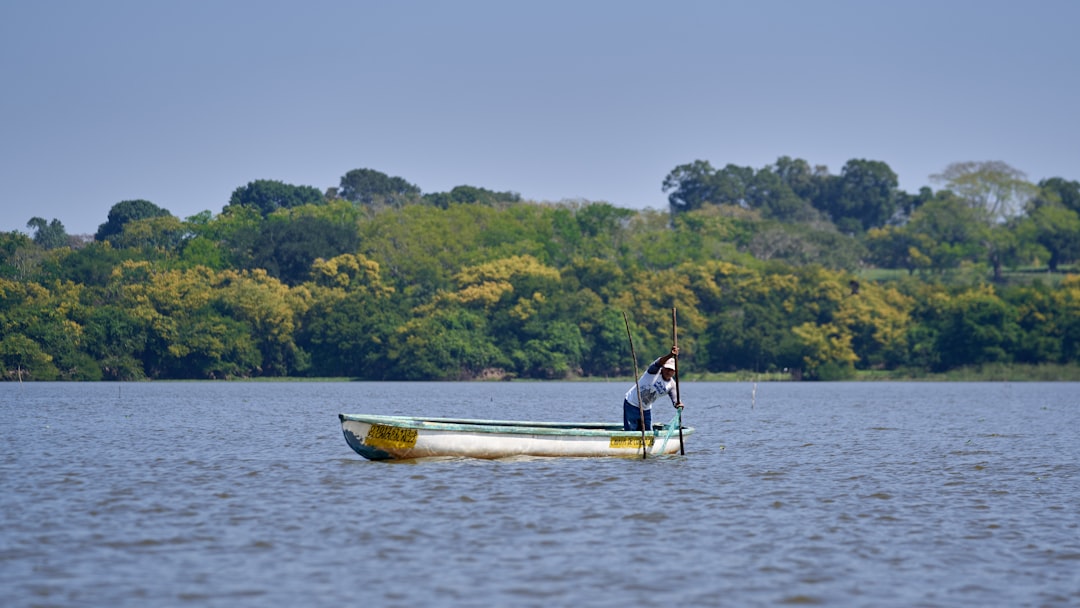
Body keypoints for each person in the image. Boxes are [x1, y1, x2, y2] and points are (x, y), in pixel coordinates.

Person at [623, 346, 683, 431]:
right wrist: (670, 355)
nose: (668, 372)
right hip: (632, 404)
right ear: (663, 367)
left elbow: (675, 400)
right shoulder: (654, 371)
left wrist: (678, 405)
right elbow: (659, 362)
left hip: (646, 409)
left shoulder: (672, 385)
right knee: (631, 430)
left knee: (648, 432)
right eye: (667, 369)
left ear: (674, 372)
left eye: (671, 370)